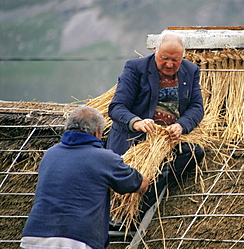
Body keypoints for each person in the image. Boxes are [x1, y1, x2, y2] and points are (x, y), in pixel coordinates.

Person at [106, 30, 204, 222]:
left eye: (175, 60)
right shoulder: (136, 68)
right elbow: (117, 107)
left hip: (167, 140)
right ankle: (121, 213)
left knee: (193, 152)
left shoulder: (191, 71)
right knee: (128, 176)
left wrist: (182, 125)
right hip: (135, 141)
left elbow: (196, 107)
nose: (169, 64)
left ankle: (141, 205)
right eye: (164, 58)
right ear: (155, 50)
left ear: (183, 56)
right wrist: (137, 122)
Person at [21, 106, 150, 249]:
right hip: (74, 239)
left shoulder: (50, 154)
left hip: (33, 235)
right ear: (96, 131)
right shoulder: (104, 158)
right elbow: (139, 183)